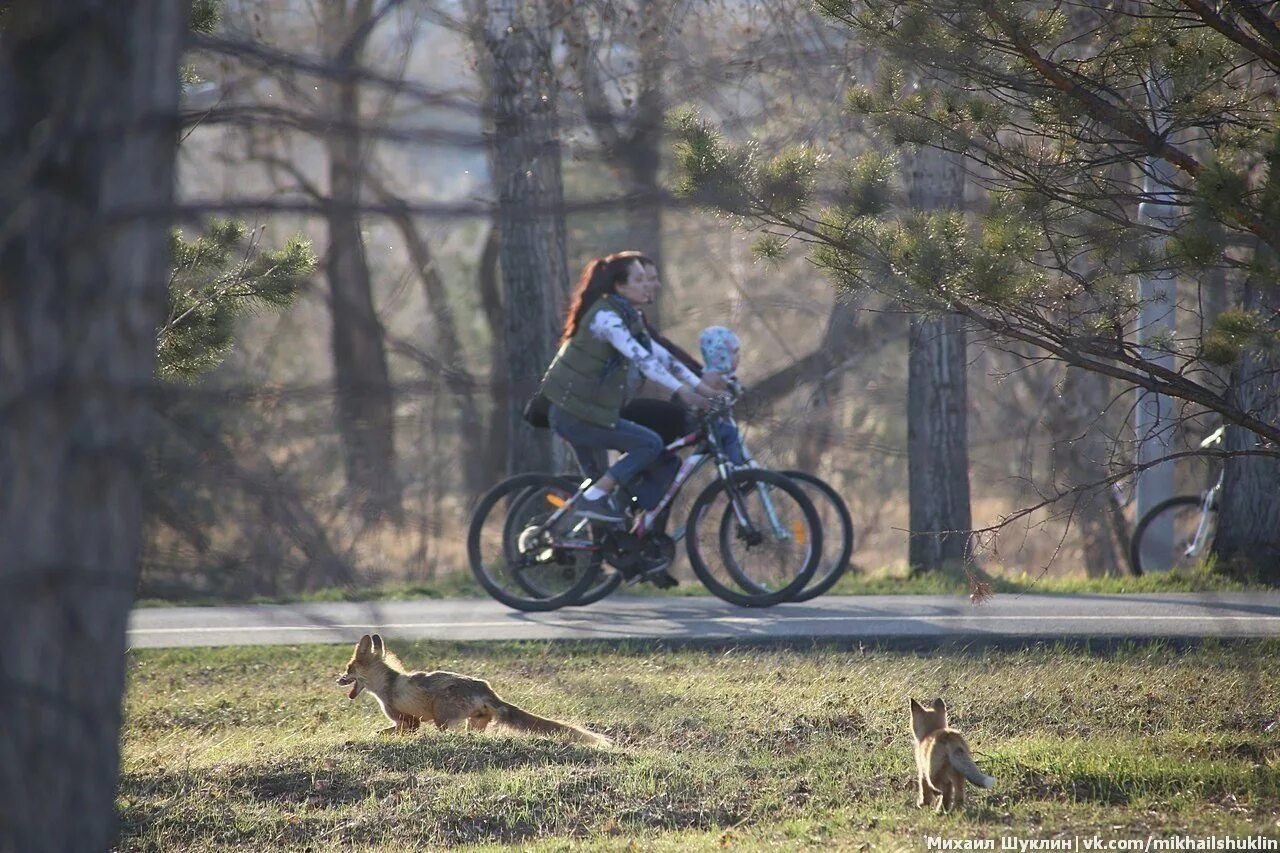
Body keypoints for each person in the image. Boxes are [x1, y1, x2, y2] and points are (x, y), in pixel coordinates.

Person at [539, 252, 724, 524]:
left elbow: (662, 356)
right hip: (576, 414)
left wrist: (702, 388)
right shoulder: (606, 318)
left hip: (587, 412)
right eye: (639, 279)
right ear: (619, 286)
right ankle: (594, 500)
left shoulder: (628, 317)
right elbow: (643, 359)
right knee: (649, 444)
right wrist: (684, 392)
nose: (647, 285)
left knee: (610, 490)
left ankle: (610, 540)